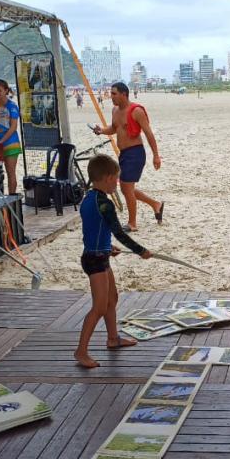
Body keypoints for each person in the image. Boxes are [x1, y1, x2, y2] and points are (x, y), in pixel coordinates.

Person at [74, 154, 152, 368]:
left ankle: (113, 338)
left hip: (98, 254)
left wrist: (108, 248)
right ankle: (81, 351)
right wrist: (141, 251)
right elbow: (119, 233)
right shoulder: (104, 204)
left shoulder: (88, 198)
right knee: (99, 307)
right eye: (116, 179)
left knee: (112, 299)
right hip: (95, 260)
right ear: (108, 178)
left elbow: (94, 230)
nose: (117, 183)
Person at [91, 82, 164, 232]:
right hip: (123, 154)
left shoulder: (136, 111)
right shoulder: (115, 110)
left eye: (114, 94)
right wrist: (102, 131)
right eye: (111, 93)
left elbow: (149, 133)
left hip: (135, 153)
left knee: (126, 187)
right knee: (127, 189)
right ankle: (155, 204)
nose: (111, 96)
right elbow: (114, 128)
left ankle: (132, 224)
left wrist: (156, 155)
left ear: (124, 94)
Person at [0, 79, 22, 193]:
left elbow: (13, 126)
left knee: (10, 172)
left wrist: (2, 140)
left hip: (11, 143)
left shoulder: (12, 106)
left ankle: (12, 197)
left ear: (6, 90)